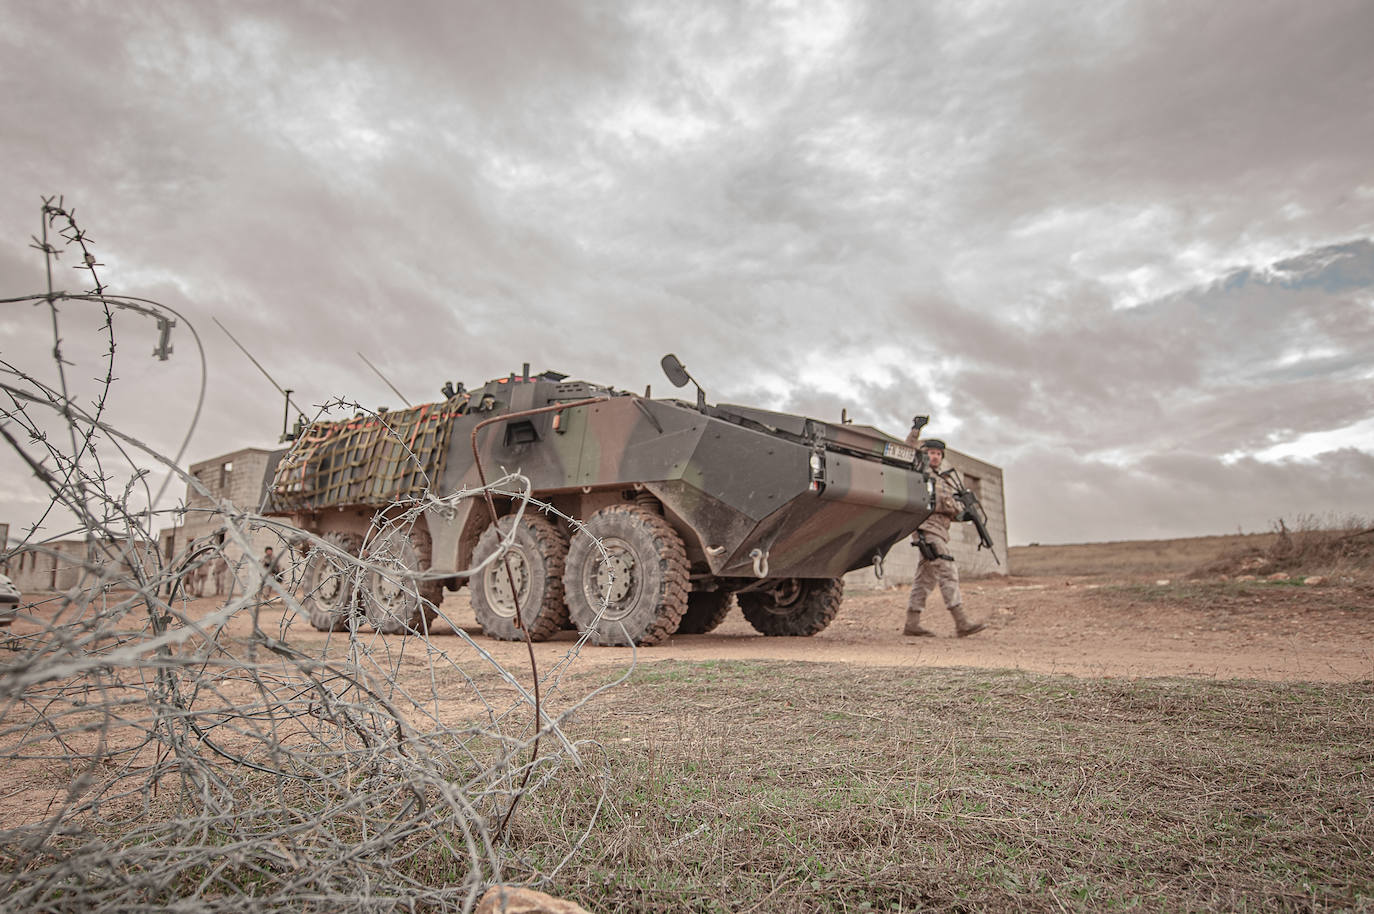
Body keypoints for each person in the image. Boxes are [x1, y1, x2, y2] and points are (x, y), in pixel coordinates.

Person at [903, 434, 986, 638]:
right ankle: (962, 622)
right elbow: (907, 453)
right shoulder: (920, 472)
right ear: (924, 454)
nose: (935, 457)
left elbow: (950, 510)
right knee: (948, 571)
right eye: (931, 452)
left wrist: (964, 513)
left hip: (938, 530)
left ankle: (912, 624)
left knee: (925, 579)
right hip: (928, 531)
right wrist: (915, 431)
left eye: (938, 454)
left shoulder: (944, 479)